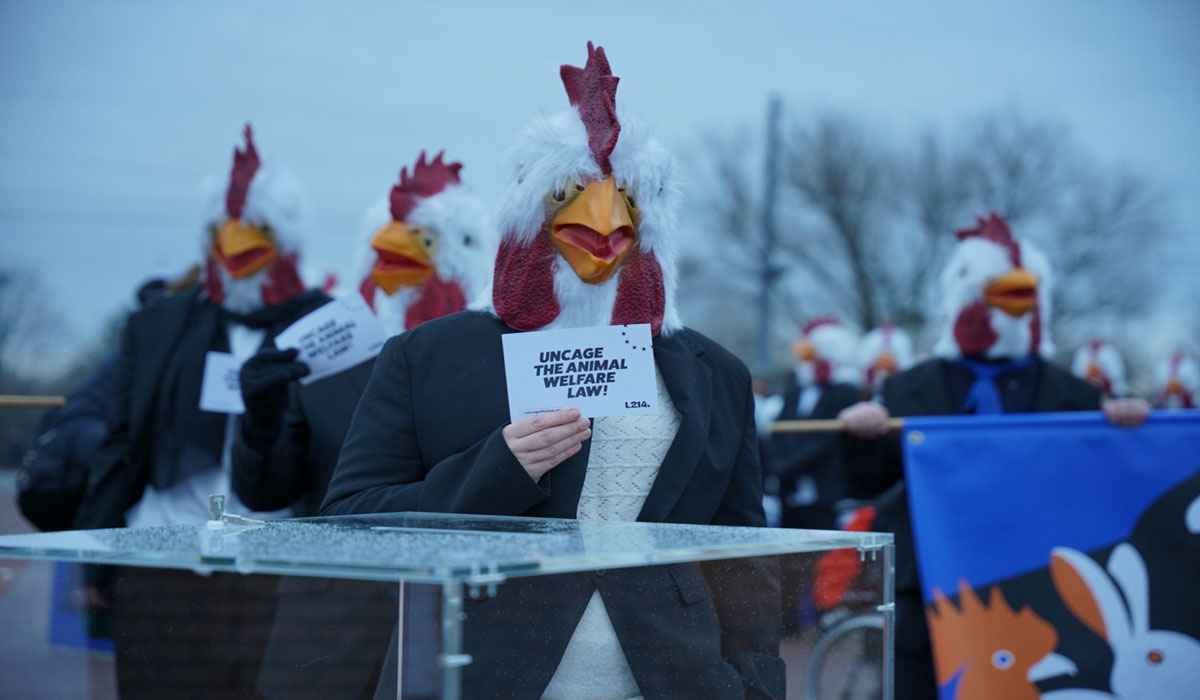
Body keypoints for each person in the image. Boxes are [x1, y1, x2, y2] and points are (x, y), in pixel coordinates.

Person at [321, 42, 784, 699]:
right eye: (571, 193)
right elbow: (352, 524)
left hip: (677, 682)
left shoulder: (718, 375)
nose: (602, 217)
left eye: (624, 194)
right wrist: (496, 469)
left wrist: (758, 687)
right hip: (479, 678)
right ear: (531, 209)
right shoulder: (425, 358)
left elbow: (742, 557)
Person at [837, 213, 1149, 699]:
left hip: (1037, 586)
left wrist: (1127, 431)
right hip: (927, 591)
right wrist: (861, 436)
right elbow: (865, 483)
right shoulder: (906, 389)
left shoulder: (1075, 397)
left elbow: (1110, 491)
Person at [73, 124, 328, 699]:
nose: (235, 242)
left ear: (286, 240)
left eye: (257, 228)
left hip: (277, 570)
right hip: (161, 562)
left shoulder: (325, 326)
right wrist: (93, 560)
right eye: (222, 228)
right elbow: (122, 443)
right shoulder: (160, 324)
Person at [233, 151, 494, 700]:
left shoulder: (504, 362)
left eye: (424, 241)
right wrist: (260, 419)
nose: (392, 252)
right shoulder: (322, 359)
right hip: (329, 622)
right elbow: (264, 494)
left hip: (467, 622)